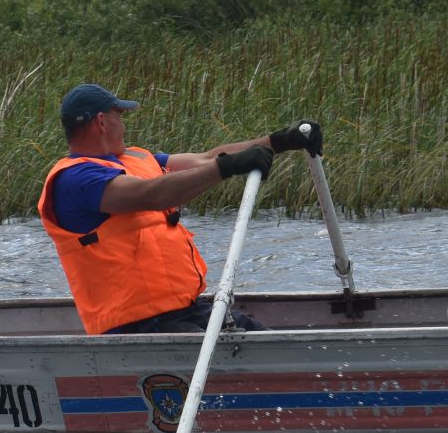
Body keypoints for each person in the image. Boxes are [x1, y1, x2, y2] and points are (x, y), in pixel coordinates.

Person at [37, 82, 322, 336]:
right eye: (120, 117)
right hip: (137, 325)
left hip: (188, 309)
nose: (124, 125)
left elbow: (207, 159)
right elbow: (151, 195)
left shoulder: (137, 158)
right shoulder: (76, 179)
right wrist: (225, 168)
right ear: (102, 121)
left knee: (267, 342)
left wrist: (277, 141)